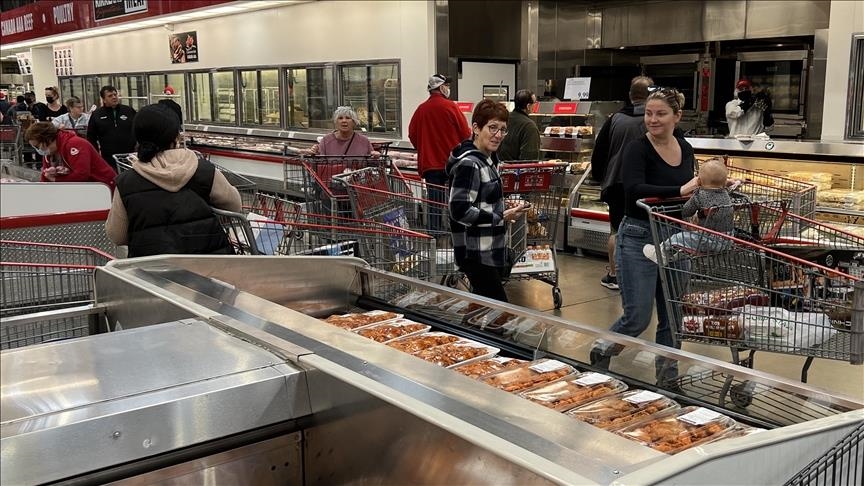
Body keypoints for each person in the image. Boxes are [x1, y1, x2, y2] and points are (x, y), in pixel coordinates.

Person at [590, 87, 700, 386]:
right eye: (649, 113)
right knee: (638, 317)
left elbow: (689, 194)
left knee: (673, 317)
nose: (652, 119)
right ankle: (601, 349)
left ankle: (667, 381)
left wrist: (707, 195)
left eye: (661, 114)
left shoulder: (685, 148)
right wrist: (680, 190)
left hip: (676, 237)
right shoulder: (636, 149)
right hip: (639, 237)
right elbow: (634, 189)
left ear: (677, 116)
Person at [105, 103, 241, 257]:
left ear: (138, 138)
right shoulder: (204, 170)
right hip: (209, 264)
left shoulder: (126, 183)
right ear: (176, 137)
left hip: (151, 267)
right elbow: (234, 205)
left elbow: (117, 235)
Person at [446, 99, 529, 302]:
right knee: (499, 310)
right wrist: (500, 216)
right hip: (476, 253)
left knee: (482, 308)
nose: (498, 135)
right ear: (476, 128)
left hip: (489, 250)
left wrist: (504, 207)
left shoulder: (488, 159)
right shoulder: (470, 163)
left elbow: (481, 200)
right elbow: (459, 210)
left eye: (503, 129)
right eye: (492, 128)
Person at [591, 76, 654, 291]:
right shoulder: (654, 120)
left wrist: (599, 178)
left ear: (630, 95)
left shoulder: (615, 119)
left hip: (617, 183)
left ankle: (615, 274)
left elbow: (599, 153)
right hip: (648, 186)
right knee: (647, 230)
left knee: (617, 230)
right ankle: (644, 274)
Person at [409, 74, 471, 231]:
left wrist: (424, 149)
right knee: (456, 201)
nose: (448, 88)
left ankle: (435, 235)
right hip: (453, 163)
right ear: (441, 87)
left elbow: (412, 134)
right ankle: (456, 233)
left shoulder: (421, 109)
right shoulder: (451, 107)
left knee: (434, 204)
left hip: (431, 166)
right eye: (447, 86)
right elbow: (465, 134)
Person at [643, 158, 734, 263]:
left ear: (699, 181)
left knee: (678, 237)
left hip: (707, 240)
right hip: (727, 240)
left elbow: (687, 211)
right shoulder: (726, 193)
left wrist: (685, 213)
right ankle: (675, 254)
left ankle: (661, 253)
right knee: (691, 237)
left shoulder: (699, 195)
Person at [24, 122, 116, 189]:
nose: (38, 150)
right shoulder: (48, 153)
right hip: (85, 189)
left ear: (47, 139)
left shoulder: (75, 144)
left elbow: (82, 174)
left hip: (104, 187)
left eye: (37, 146)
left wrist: (56, 180)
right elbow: (46, 177)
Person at [87, 85, 136, 172]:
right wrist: (96, 155)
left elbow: (138, 129)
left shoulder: (129, 111)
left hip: (129, 156)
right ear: (104, 99)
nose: (114, 97)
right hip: (108, 158)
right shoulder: (97, 115)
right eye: (110, 96)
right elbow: (91, 137)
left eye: (115, 94)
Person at [308, 106, 379, 156]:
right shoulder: (326, 141)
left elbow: (373, 164)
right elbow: (318, 165)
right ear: (336, 122)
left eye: (348, 118)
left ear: (354, 122)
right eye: (340, 118)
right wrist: (314, 153)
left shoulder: (364, 141)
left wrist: (376, 156)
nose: (344, 121)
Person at [496, 89, 541, 162]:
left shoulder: (505, 119)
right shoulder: (529, 126)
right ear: (528, 106)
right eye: (534, 103)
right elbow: (529, 160)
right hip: (516, 168)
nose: (535, 105)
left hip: (499, 165)